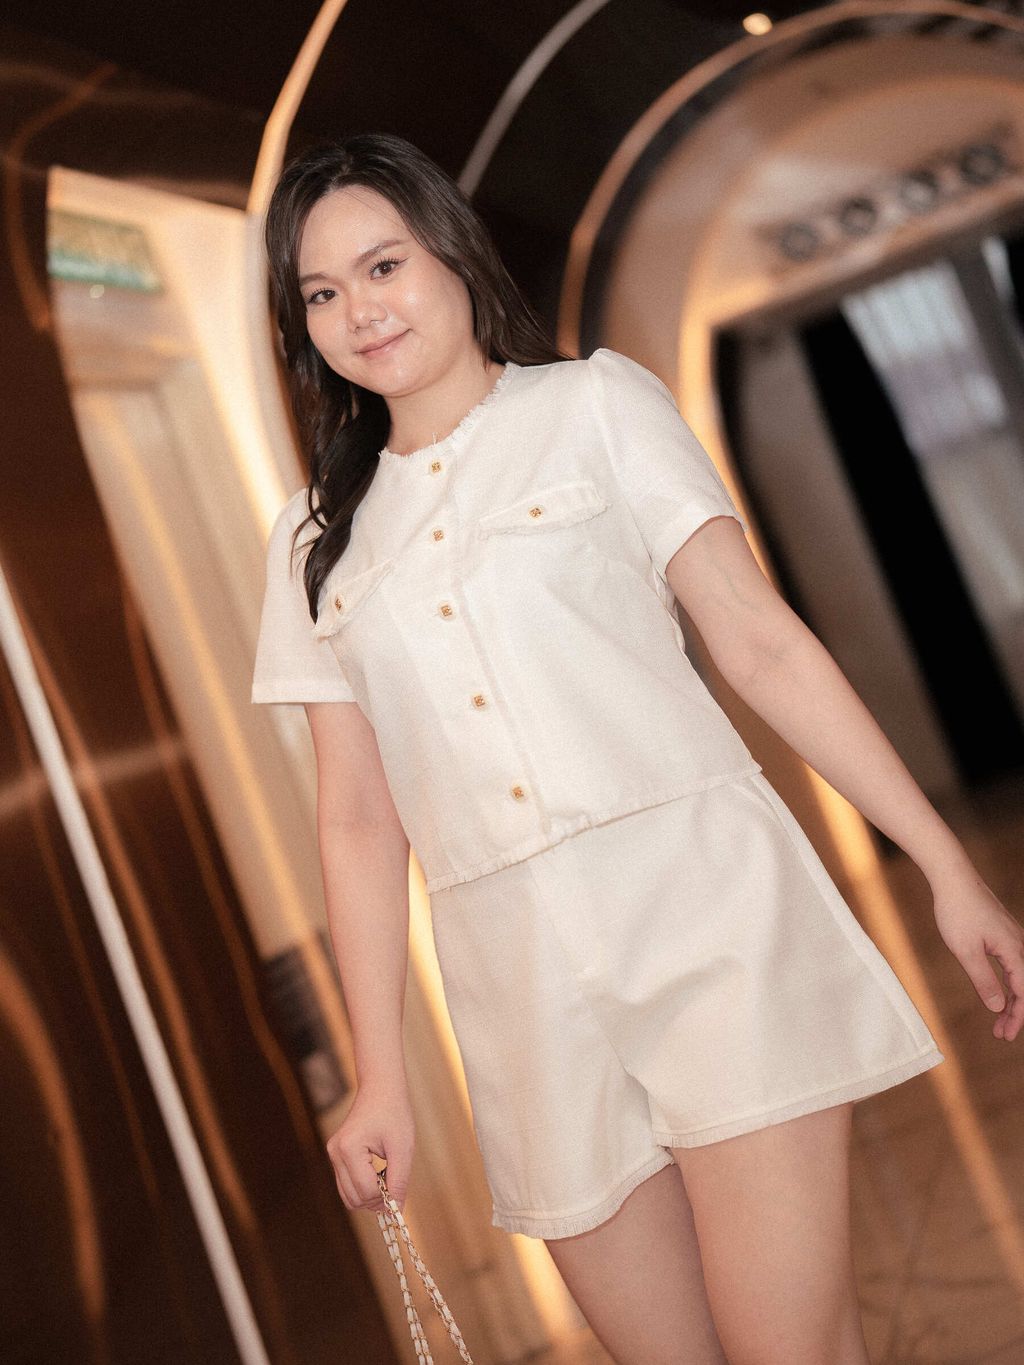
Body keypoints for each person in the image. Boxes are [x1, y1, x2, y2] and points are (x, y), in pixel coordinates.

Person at [251, 131, 1023, 1365]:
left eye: (383, 265)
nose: (361, 310)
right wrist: (378, 1076)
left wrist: (946, 865)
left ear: (450, 252)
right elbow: (356, 815)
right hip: (516, 987)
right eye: (323, 294)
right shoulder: (311, 541)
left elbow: (759, 644)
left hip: (707, 919)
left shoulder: (597, 406)